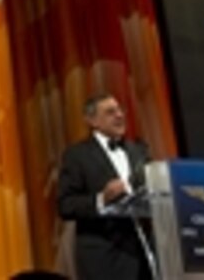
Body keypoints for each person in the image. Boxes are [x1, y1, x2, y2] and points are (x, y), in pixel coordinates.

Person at [57, 93, 152, 280]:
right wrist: (101, 199)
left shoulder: (138, 150)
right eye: (110, 112)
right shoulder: (77, 155)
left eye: (120, 110)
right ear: (92, 121)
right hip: (105, 261)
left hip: (144, 255)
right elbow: (65, 205)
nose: (119, 115)